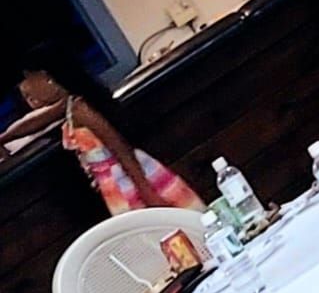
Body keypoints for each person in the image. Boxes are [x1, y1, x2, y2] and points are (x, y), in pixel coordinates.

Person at [0, 44, 203, 215]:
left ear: (47, 78)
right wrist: (4, 137)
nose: (29, 89)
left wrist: (145, 190)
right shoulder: (69, 105)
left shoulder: (80, 108)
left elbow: (120, 148)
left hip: (129, 181)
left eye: (30, 80)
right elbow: (36, 122)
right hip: (115, 185)